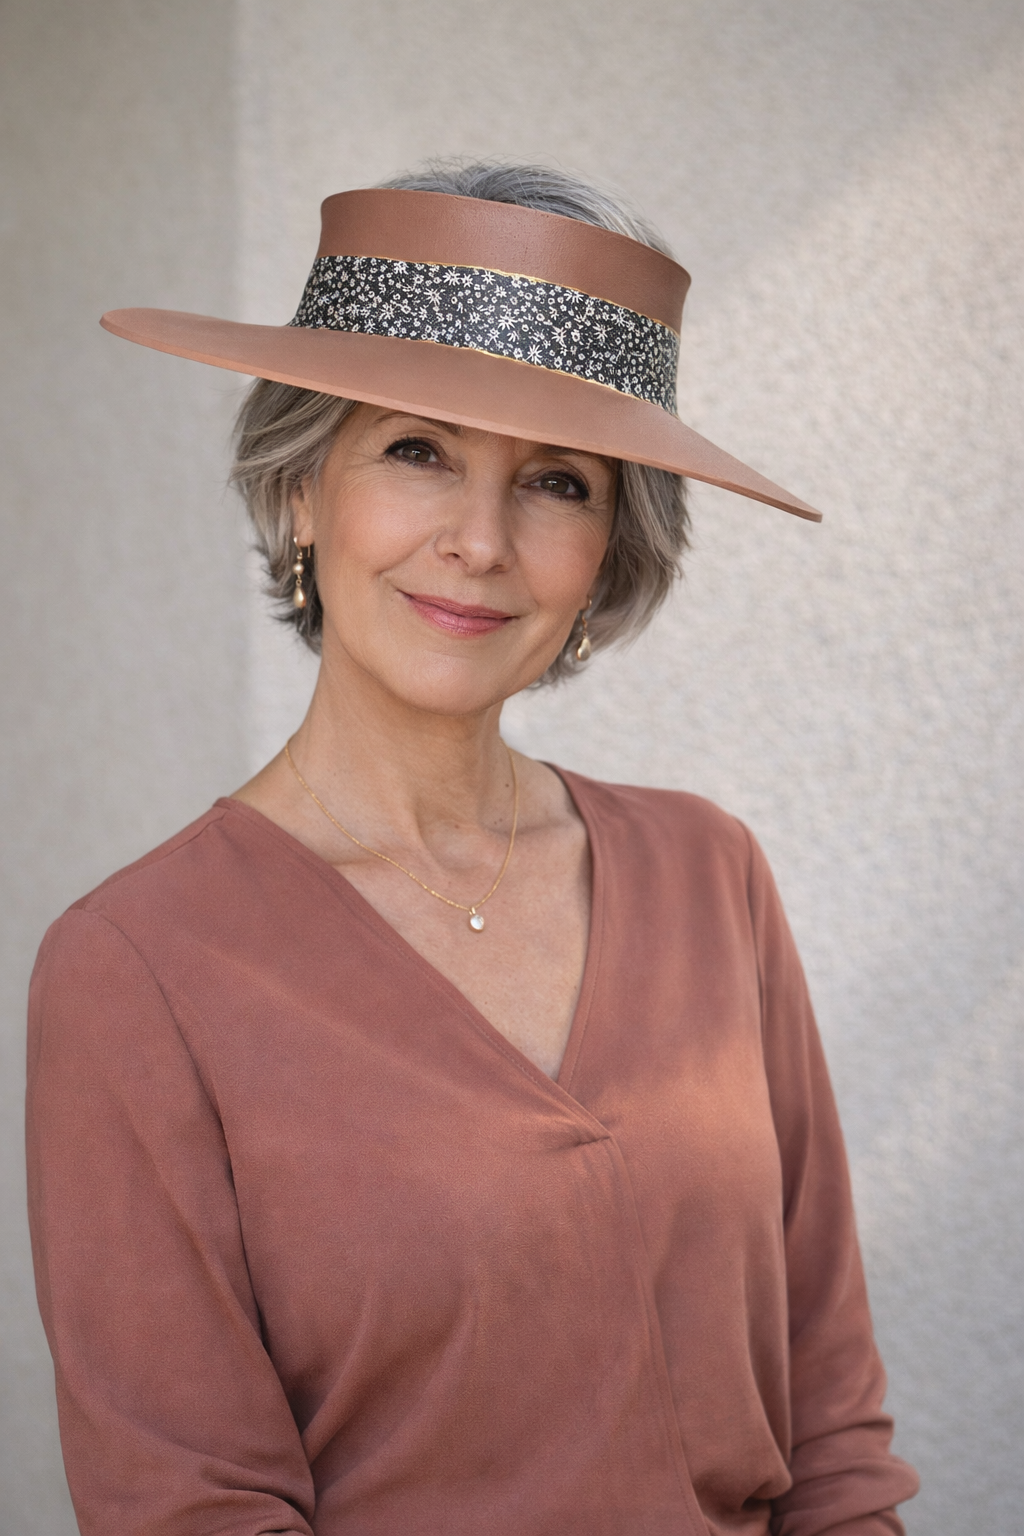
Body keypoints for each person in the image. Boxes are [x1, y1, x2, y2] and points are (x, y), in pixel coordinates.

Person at [26, 161, 918, 1536]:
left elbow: (834, 1435)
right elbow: (186, 1509)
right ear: (303, 488)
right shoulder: (136, 968)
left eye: (555, 481)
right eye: (416, 450)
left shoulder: (709, 878)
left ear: (611, 548)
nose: (481, 543)